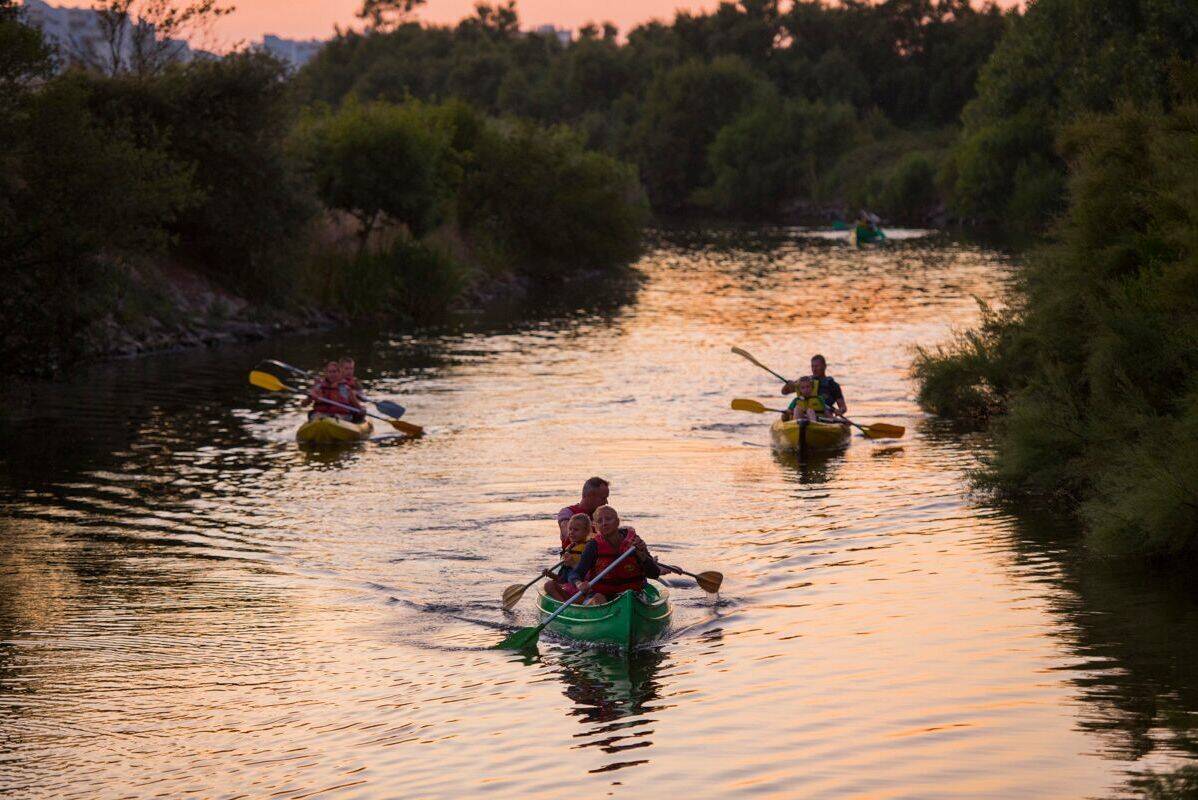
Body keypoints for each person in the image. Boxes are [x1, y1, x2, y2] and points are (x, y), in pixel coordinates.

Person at [572, 505, 663, 605]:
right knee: (598, 598)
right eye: (599, 521)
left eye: (608, 519)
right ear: (596, 527)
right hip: (603, 595)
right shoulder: (593, 546)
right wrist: (579, 584)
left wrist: (642, 556)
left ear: (617, 522)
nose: (604, 523)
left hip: (634, 594)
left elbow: (654, 573)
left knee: (630, 596)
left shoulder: (634, 542)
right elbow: (576, 574)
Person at [541, 512, 594, 601]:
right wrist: (551, 575)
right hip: (569, 589)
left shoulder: (588, 549)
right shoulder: (569, 548)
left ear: (586, 532)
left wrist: (573, 564)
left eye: (576, 530)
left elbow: (589, 575)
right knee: (549, 585)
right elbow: (563, 579)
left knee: (549, 585)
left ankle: (567, 606)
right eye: (570, 529)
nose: (571, 532)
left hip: (581, 591)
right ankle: (565, 604)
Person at [782, 354, 847, 417]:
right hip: (803, 414)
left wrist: (840, 410)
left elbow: (843, 407)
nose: (814, 369)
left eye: (817, 366)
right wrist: (788, 384)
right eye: (812, 366)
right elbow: (784, 392)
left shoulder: (833, 385)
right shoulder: (805, 382)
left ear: (824, 366)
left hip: (824, 416)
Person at [556, 477, 610, 547]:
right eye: (603, 498)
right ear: (590, 496)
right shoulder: (568, 513)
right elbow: (567, 532)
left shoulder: (602, 516)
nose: (606, 502)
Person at [337, 356, 366, 422]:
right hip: (336, 409)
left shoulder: (356, 383)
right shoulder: (333, 381)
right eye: (346, 369)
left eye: (351, 369)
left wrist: (355, 393)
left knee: (362, 410)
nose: (349, 371)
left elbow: (363, 398)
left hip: (351, 409)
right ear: (340, 369)